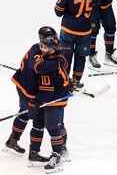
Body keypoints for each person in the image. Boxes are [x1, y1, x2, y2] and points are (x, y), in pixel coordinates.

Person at [3, 27, 69, 166]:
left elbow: (60, 61)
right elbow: (40, 68)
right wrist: (37, 101)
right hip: (29, 90)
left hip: (23, 84)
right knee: (38, 120)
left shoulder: (36, 47)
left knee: (24, 113)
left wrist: (60, 62)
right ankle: (34, 153)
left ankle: (13, 140)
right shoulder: (40, 55)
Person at [28, 35, 72, 172]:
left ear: (52, 50)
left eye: (45, 47)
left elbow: (47, 92)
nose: (41, 49)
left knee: (53, 128)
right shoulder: (56, 57)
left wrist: (35, 102)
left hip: (55, 99)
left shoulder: (47, 68)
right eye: (41, 45)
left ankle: (57, 155)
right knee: (38, 124)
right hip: (51, 96)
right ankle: (33, 153)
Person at [55, 0, 100, 88]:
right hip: (85, 31)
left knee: (65, 57)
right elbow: (95, 5)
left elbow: (58, 12)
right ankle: (76, 81)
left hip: (68, 30)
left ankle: (63, 81)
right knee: (81, 58)